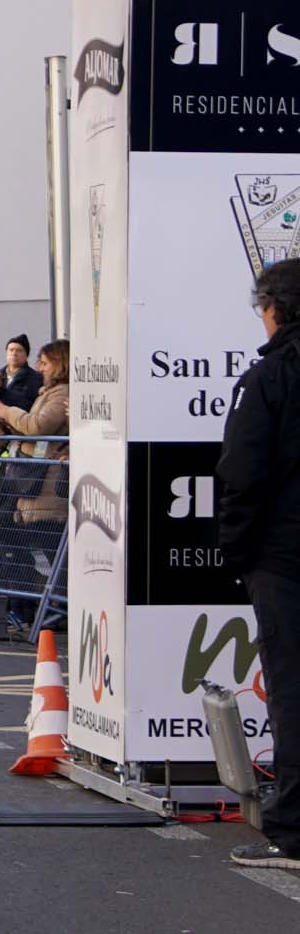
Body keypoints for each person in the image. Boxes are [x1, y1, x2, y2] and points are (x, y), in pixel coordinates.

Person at [218, 261, 300, 871]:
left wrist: (239, 550)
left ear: (273, 307)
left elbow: (242, 475)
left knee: (293, 691)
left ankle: (294, 833)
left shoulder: (270, 377)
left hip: (286, 557)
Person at [0, 335, 43, 410]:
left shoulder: (36, 378)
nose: (14, 353)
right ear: (6, 353)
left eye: (19, 350)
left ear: (26, 355)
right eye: (11, 350)